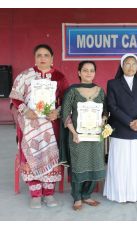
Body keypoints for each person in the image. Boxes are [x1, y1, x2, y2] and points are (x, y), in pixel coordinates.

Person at [9, 44, 68, 208]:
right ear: (35, 58)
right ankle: (35, 193)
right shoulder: (25, 76)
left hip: (51, 124)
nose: (42, 59)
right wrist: (25, 110)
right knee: (31, 157)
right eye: (39, 55)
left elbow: (66, 99)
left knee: (50, 155)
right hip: (30, 125)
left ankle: (48, 193)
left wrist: (57, 112)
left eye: (46, 55)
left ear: (52, 58)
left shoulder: (59, 77)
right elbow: (15, 96)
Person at [103, 53, 137, 203]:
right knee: (121, 163)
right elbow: (112, 105)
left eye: (133, 64)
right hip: (121, 129)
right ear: (122, 66)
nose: (130, 67)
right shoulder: (113, 83)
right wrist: (129, 121)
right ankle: (120, 194)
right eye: (127, 64)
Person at [60, 61, 106, 211]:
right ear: (79, 72)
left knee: (94, 163)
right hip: (77, 136)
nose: (88, 73)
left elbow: (105, 112)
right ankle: (77, 197)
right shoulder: (72, 91)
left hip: (95, 136)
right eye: (85, 70)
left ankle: (87, 195)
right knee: (79, 165)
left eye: (91, 70)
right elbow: (65, 114)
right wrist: (73, 133)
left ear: (95, 73)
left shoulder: (100, 91)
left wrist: (102, 123)